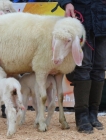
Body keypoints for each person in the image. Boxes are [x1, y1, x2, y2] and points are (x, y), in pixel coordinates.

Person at [58, 0, 106, 134]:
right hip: (81, 18)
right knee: (83, 66)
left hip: (102, 18)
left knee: (99, 68)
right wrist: (66, 3)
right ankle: (82, 116)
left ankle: (93, 114)